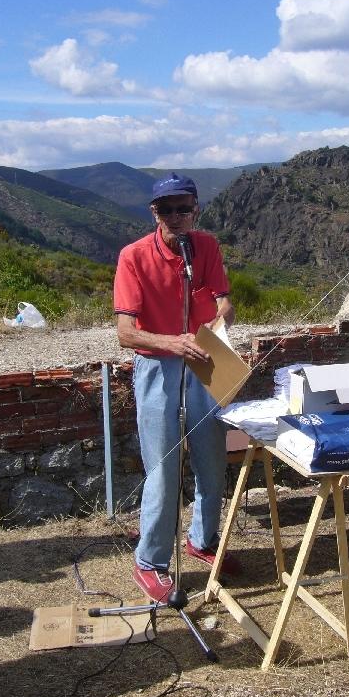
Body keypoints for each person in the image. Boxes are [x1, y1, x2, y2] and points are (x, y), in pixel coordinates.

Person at [114, 172, 240, 602]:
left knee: (212, 458)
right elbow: (126, 333)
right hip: (158, 366)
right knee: (164, 469)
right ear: (155, 213)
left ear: (195, 210)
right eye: (166, 209)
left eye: (183, 208)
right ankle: (150, 561)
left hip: (204, 359)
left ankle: (203, 540)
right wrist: (174, 343)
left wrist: (218, 326)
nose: (176, 216)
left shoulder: (206, 246)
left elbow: (224, 301)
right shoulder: (133, 256)